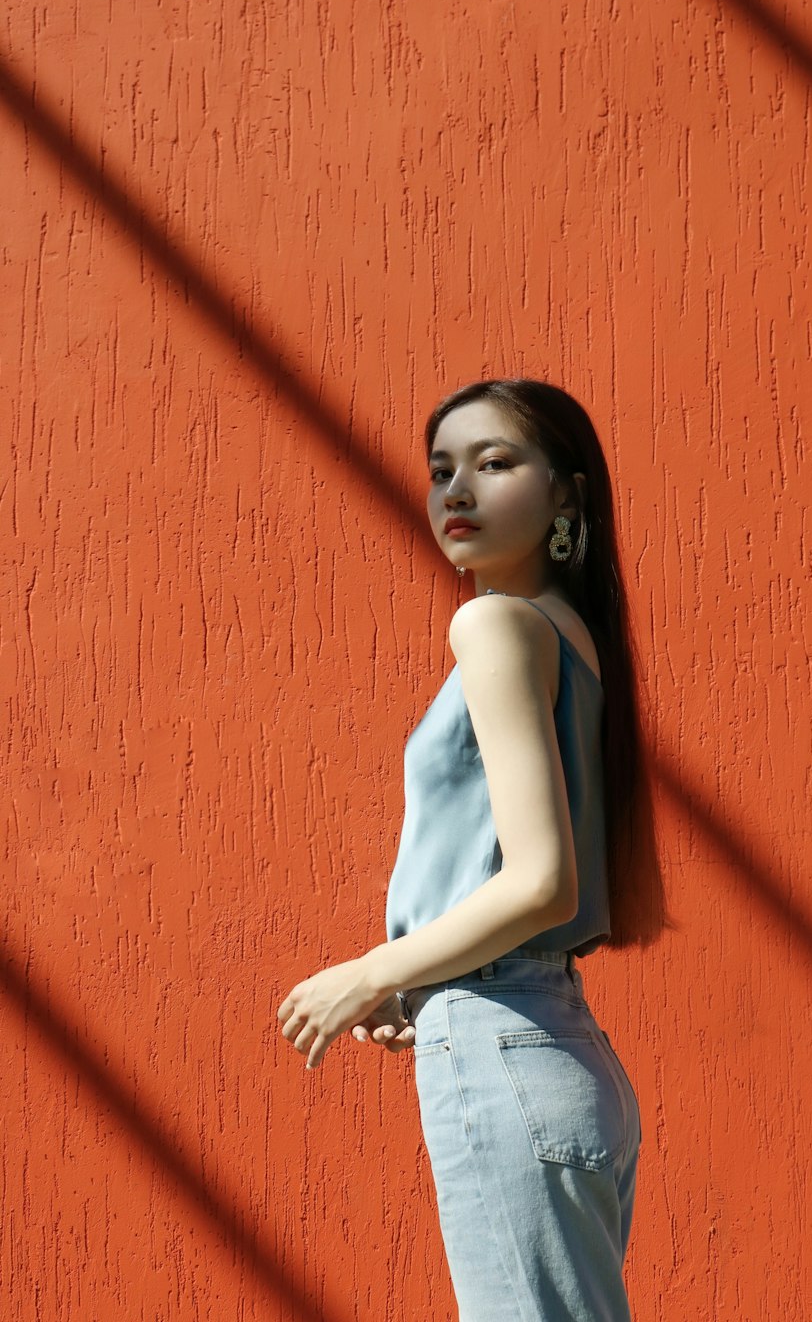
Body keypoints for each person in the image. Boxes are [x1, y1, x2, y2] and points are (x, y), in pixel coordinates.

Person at [278, 377, 649, 1320]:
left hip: (506, 1045)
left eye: (495, 463)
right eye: (442, 469)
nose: (457, 492)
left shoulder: (491, 624)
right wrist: (428, 983)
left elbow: (540, 883)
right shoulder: (573, 636)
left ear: (567, 494)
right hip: (556, 1047)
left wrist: (369, 970)